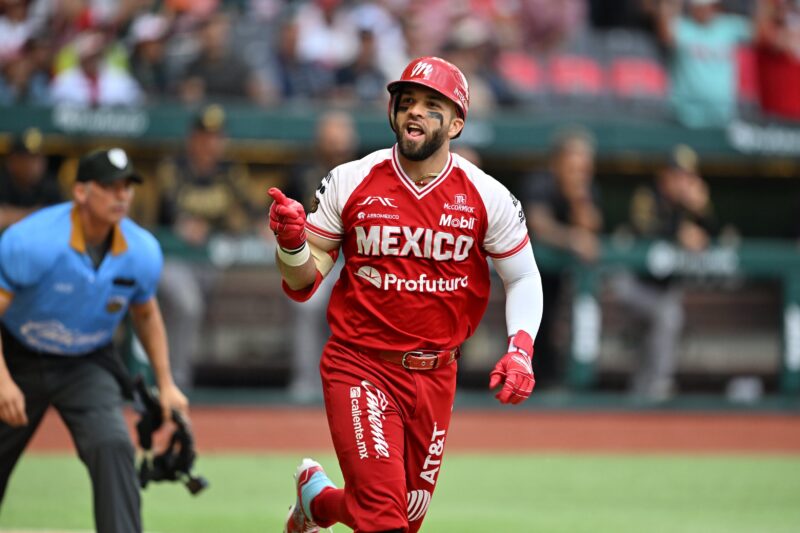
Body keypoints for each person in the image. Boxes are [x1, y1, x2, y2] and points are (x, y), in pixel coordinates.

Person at [269, 56, 543, 533]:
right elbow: (303, 283)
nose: (415, 111)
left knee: (399, 516)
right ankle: (321, 503)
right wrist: (292, 245)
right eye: (407, 101)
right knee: (384, 520)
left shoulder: (487, 195)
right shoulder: (350, 180)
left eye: (432, 105)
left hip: (437, 374)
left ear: (457, 123)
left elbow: (522, 276)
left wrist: (521, 348)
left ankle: (316, 502)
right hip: (360, 365)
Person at [0, 148, 188, 533]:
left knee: (113, 444)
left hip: (86, 361)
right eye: (109, 186)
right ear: (82, 192)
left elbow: (147, 314)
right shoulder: (30, 241)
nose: (121, 195)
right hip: (16, 354)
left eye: (127, 187)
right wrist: (2, 381)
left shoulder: (141, 250)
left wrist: (166, 384)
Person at [156, 105, 260, 390]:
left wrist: (258, 224)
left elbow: (251, 211)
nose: (211, 143)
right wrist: (184, 224)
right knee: (188, 304)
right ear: (193, 138)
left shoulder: (230, 170)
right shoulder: (173, 168)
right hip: (172, 259)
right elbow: (169, 210)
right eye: (205, 136)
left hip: (212, 261)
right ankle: (176, 383)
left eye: (216, 137)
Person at [612, 144, 716, 401]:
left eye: (687, 176)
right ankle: (656, 386)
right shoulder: (648, 196)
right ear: (665, 177)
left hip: (663, 290)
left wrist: (701, 213)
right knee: (667, 315)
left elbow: (711, 236)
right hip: (630, 283)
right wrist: (679, 232)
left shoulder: (691, 205)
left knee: (665, 316)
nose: (682, 182)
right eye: (677, 175)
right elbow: (645, 227)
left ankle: (647, 390)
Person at [283, 110, 358, 402]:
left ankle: (359, 384)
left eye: (341, 140)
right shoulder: (302, 173)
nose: (337, 146)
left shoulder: (364, 171)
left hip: (358, 262)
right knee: (308, 304)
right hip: (320, 257)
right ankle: (306, 383)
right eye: (330, 140)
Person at [522, 128, 602, 388]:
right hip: (525, 273)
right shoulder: (539, 182)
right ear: (557, 162)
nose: (579, 174)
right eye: (573, 166)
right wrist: (572, 239)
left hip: (566, 277)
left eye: (584, 168)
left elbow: (592, 228)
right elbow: (539, 225)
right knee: (534, 323)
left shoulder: (585, 191)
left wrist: (578, 197)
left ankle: (557, 380)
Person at [653, 0, 753, 128]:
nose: (704, 10)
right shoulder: (683, 26)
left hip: (722, 115)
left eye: (708, 6)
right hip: (685, 116)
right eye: (699, 7)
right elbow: (665, 32)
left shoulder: (730, 26)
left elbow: (761, 33)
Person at [0, 127, 63, 230]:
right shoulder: (3, 182)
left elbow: (61, 220)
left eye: (38, 157)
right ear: (12, 161)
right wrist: (38, 213)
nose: (34, 165)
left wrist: (11, 214)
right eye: (27, 158)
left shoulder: (50, 186)